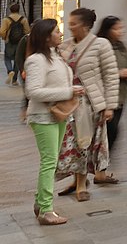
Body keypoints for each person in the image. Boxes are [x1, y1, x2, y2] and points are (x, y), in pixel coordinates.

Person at [57, 7, 118, 202]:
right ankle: (76, 181)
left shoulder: (101, 45)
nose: (70, 27)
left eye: (73, 23)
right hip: (67, 103)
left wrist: (110, 105)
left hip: (90, 104)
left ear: (84, 25)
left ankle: (82, 184)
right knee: (70, 144)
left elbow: (110, 76)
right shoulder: (64, 46)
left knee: (84, 142)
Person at [22, 17, 74, 227]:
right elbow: (32, 91)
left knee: (52, 162)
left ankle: (39, 203)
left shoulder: (56, 55)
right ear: (45, 37)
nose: (60, 34)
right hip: (43, 116)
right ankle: (46, 210)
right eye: (56, 31)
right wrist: (69, 91)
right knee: (49, 162)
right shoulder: (36, 60)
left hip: (59, 114)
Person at [94, 16, 127, 178]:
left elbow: (125, 65)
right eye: (116, 28)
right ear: (107, 29)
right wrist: (120, 73)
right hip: (106, 97)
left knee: (112, 132)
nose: (120, 32)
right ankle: (99, 169)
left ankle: (101, 169)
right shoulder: (100, 46)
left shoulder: (120, 46)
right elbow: (98, 71)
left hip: (120, 96)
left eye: (121, 28)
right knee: (110, 132)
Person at [3, 3, 28, 84]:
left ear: (10, 10)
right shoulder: (23, 19)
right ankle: (14, 80)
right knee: (17, 59)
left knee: (7, 58)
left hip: (9, 42)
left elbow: (2, 31)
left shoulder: (6, 20)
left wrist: (5, 38)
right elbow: (27, 31)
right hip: (20, 42)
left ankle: (10, 71)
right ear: (18, 10)